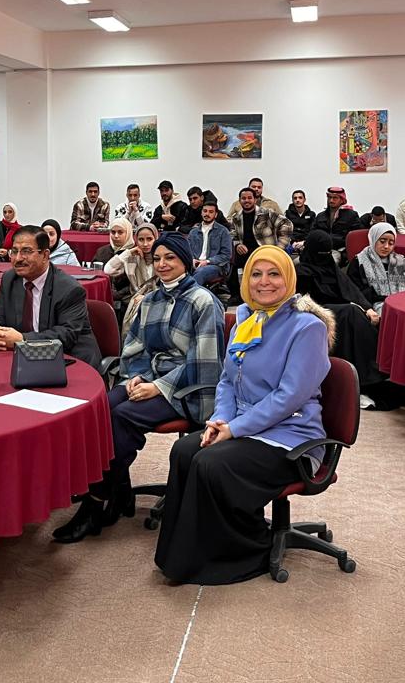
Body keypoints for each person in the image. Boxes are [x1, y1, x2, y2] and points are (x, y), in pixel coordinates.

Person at [154, 245, 333, 585]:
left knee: (211, 463)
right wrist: (221, 420)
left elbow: (288, 397)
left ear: (289, 279)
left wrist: (234, 429)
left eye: (274, 274)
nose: (264, 282)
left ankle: (249, 551)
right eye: (256, 274)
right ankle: (182, 555)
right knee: (185, 451)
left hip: (291, 437)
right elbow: (227, 382)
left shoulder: (307, 328)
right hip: (244, 426)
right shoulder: (245, 321)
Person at [52, 234, 223, 544]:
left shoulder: (203, 301)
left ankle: (96, 503)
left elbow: (205, 362)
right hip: (151, 377)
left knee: (123, 416)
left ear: (185, 261)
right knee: (101, 407)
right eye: (157, 259)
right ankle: (120, 491)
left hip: (191, 387)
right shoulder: (151, 299)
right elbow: (135, 348)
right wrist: (137, 377)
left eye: (170, 258)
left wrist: (157, 387)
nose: (162, 264)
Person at [0, 224, 101, 369]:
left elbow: (66, 335)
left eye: (26, 251)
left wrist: (22, 340)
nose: (18, 258)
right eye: (14, 251)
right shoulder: (10, 279)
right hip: (24, 360)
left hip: (68, 360)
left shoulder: (69, 289)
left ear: (45, 255)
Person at [296, 230, 382, 401]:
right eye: (321, 253)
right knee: (351, 313)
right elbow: (303, 302)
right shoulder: (300, 272)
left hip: (341, 310)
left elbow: (349, 288)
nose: (325, 256)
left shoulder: (329, 265)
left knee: (359, 315)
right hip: (314, 313)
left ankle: (374, 369)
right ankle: (368, 375)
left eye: (327, 252)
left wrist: (366, 307)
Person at [347, 222, 405, 310]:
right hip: (372, 306)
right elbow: (355, 292)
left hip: (401, 302)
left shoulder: (399, 261)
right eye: (382, 241)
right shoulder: (360, 261)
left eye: (391, 243)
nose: (386, 246)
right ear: (374, 239)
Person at [187, 200, 233, 290]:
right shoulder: (193, 232)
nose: (207, 214)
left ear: (216, 215)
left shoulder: (223, 231)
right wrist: (192, 260)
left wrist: (207, 261)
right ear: (201, 213)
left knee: (201, 272)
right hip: (195, 264)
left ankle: (188, 294)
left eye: (211, 212)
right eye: (205, 211)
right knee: (177, 270)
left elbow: (226, 255)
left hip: (216, 266)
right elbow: (188, 250)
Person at [105, 223, 157, 300]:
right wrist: (128, 253)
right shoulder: (132, 258)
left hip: (158, 300)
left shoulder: (161, 258)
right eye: (141, 239)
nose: (145, 244)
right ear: (136, 240)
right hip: (134, 300)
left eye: (149, 239)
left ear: (156, 239)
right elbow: (108, 270)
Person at [312, 187, 360, 257]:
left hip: (338, 250)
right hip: (318, 248)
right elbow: (313, 233)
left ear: (342, 200)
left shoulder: (351, 215)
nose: (331, 200)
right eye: (329, 197)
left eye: (335, 198)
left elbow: (354, 237)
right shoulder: (320, 216)